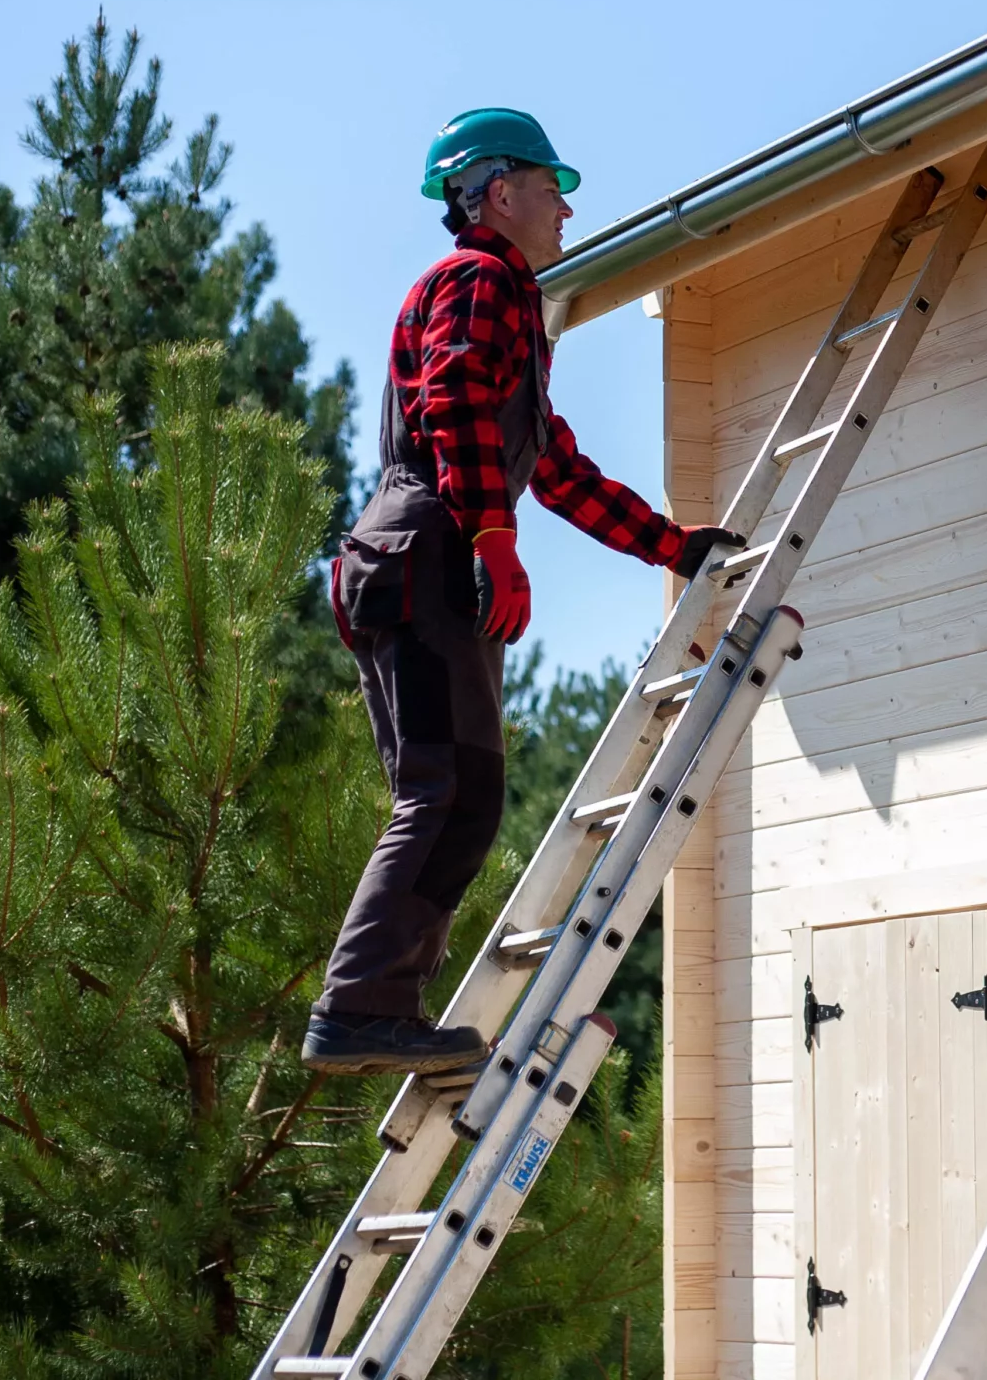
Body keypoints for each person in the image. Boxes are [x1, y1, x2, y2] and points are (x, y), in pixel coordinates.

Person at [305, 109, 741, 1074]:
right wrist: (492, 540)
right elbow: (455, 399)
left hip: (415, 556)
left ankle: (378, 1007)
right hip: (427, 551)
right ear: (499, 192)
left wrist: (669, 546)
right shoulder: (480, 279)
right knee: (448, 791)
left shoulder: (503, 304)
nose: (568, 207)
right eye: (553, 188)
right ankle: (360, 1008)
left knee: (455, 794)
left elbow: (554, 469)